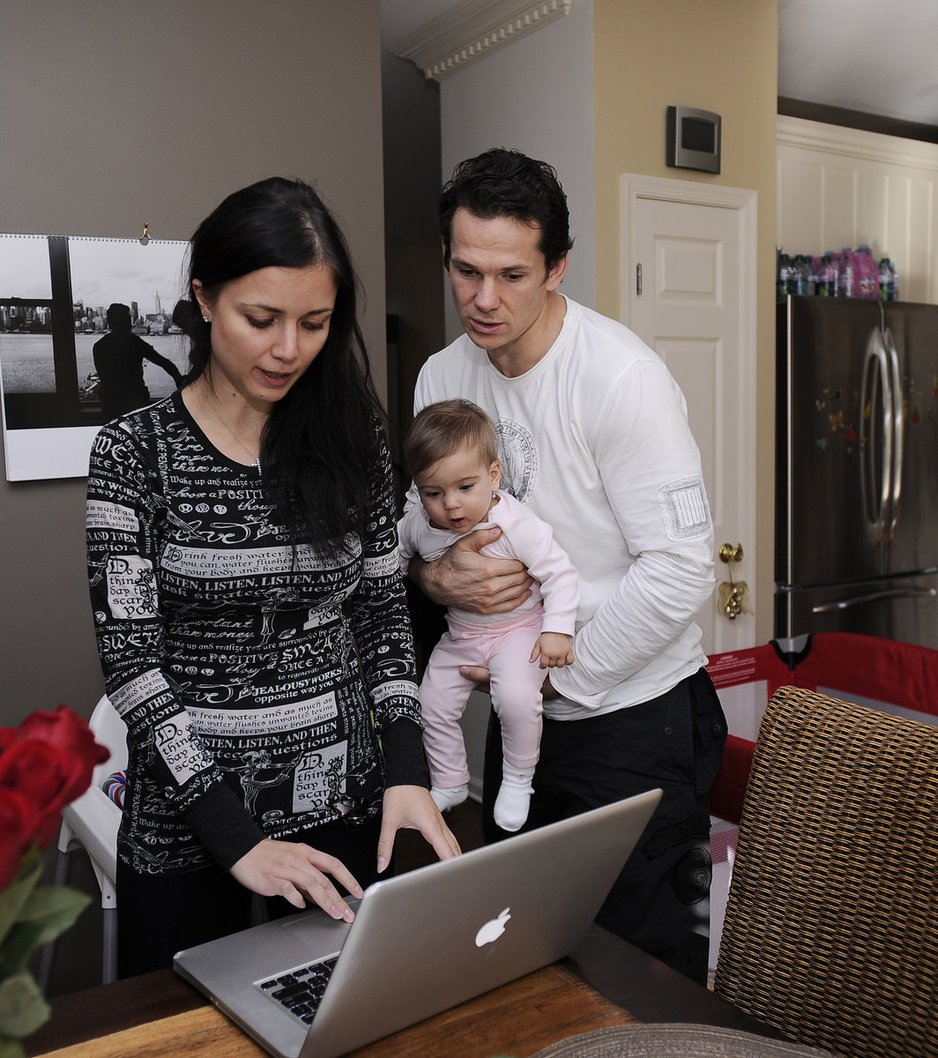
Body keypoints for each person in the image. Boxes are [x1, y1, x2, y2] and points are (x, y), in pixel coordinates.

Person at [86, 177, 459, 978]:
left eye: (314, 323)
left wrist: (406, 772)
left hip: (348, 802)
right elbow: (133, 666)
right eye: (263, 319)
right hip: (191, 825)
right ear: (205, 300)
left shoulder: (351, 434)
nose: (289, 348)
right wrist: (238, 838)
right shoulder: (132, 452)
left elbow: (384, 614)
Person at [405, 148, 727, 983]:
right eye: (466, 270)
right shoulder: (443, 375)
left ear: (558, 268)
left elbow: (681, 571)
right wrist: (435, 578)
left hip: (634, 719)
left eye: (512, 274)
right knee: (521, 956)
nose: (484, 298)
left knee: (641, 972)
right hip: (525, 727)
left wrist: (552, 674)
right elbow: (421, 526)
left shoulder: (620, 379)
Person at [397, 398, 578, 832]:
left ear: (493, 477)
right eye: (434, 493)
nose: (452, 506)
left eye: (465, 488)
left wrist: (557, 631)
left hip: (518, 632)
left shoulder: (515, 523)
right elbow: (393, 560)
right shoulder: (420, 523)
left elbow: (560, 573)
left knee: (516, 699)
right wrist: (417, 575)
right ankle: (451, 780)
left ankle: (518, 780)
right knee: (430, 703)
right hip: (460, 635)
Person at [92, 302, 184, 420]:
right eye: (126, 319)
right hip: (136, 401)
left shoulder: (99, 346)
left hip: (110, 403)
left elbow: (105, 376)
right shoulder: (135, 343)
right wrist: (178, 379)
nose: (130, 323)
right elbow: (164, 362)